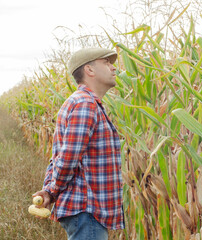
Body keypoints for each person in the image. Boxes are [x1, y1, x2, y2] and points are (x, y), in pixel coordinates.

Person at [33, 48, 124, 240]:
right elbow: (68, 158)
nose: (113, 67)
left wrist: (50, 189)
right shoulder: (85, 104)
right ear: (90, 70)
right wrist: (51, 191)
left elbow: (58, 156)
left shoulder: (82, 102)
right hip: (87, 209)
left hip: (86, 211)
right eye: (106, 63)